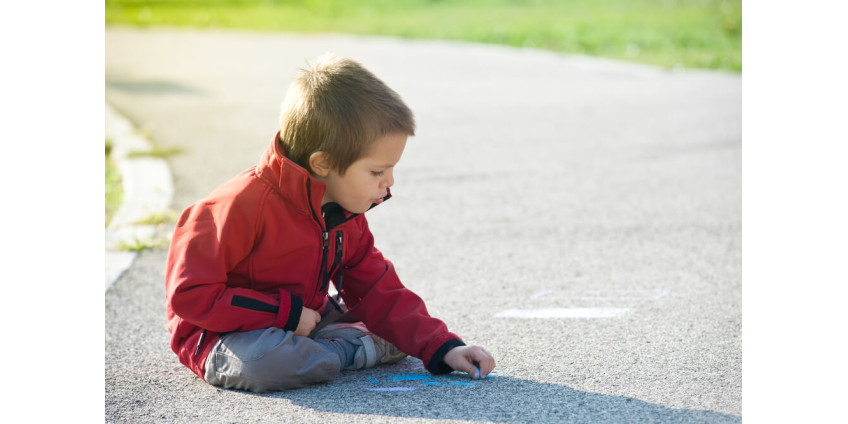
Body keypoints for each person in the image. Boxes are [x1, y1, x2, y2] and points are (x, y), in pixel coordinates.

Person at [165, 53, 496, 392]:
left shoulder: (343, 212)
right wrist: (288, 315)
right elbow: (191, 296)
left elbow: (375, 286)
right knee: (269, 363)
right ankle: (343, 350)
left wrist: (443, 346)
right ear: (323, 163)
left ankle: (329, 351)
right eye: (377, 171)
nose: (389, 182)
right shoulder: (236, 206)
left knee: (404, 335)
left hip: (305, 319)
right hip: (224, 334)